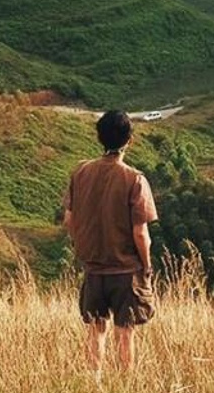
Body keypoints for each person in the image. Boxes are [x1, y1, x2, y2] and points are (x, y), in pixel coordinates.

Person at [61, 109, 159, 372]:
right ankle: (125, 385)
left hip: (94, 268)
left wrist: (83, 248)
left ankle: (94, 381)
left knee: (96, 330)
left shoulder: (81, 173)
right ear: (130, 140)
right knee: (125, 332)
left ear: (99, 138)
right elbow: (141, 233)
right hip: (125, 270)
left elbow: (69, 221)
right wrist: (147, 266)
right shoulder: (134, 179)